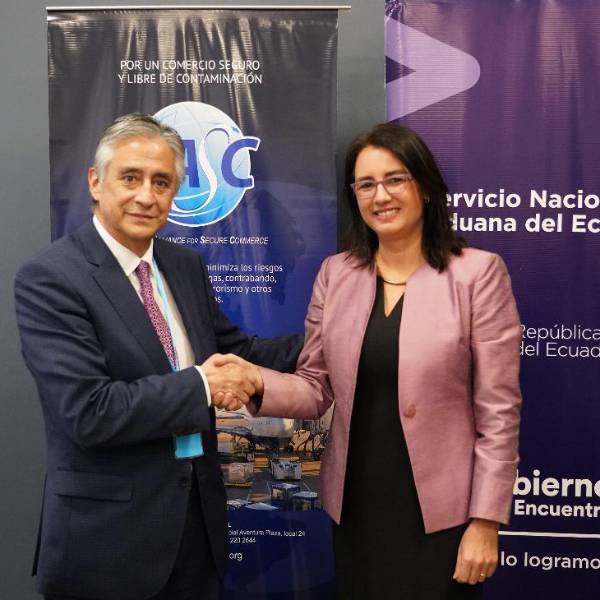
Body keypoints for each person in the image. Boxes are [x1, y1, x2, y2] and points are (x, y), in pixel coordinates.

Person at [14, 113, 301, 600]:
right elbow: (89, 412)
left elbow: (240, 354)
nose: (146, 196)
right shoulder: (51, 278)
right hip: (108, 545)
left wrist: (340, 337)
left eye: (162, 182)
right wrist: (203, 385)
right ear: (95, 182)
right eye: (131, 178)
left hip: (196, 532)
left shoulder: (183, 265)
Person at [241, 123, 522, 598]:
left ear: (425, 187)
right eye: (366, 184)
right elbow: (315, 387)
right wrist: (254, 383)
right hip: (356, 507)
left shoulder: (477, 274)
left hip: (443, 515)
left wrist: (486, 521)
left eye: (395, 179)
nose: (381, 196)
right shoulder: (336, 274)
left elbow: (499, 412)